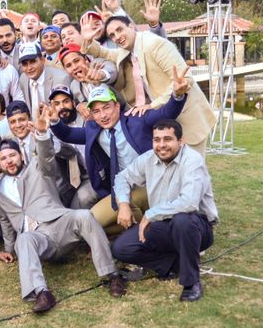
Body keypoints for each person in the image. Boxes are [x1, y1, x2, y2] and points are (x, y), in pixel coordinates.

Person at [0, 107, 127, 314]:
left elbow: (46, 158)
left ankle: (112, 275)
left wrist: (43, 135)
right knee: (23, 240)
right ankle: (42, 293)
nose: (9, 160)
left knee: (84, 215)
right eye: (4, 158)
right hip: (37, 239)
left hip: (59, 224)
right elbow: (5, 219)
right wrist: (9, 250)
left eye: (13, 155)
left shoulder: (37, 168)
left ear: (20, 157)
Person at [49, 69, 190, 232]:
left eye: (106, 107)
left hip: (155, 183)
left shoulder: (137, 119)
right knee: (93, 221)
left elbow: (166, 113)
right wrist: (54, 121)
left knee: (131, 207)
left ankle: (153, 227)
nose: (103, 115)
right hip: (125, 187)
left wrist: (177, 96)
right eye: (96, 111)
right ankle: (139, 229)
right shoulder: (94, 129)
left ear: (117, 106)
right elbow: (67, 134)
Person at [112, 119, 218, 302]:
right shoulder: (149, 158)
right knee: (121, 248)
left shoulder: (193, 160)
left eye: (167, 139)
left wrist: (150, 214)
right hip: (163, 224)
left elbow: (189, 202)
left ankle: (191, 282)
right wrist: (123, 203)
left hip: (197, 226)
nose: (161, 145)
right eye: (157, 140)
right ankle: (175, 264)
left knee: (183, 220)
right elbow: (122, 177)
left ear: (180, 141)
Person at [81, 15, 215, 156]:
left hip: (187, 119)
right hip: (164, 121)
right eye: (112, 35)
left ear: (132, 26)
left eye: (120, 30)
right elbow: (105, 53)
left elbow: (184, 79)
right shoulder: (127, 50)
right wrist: (88, 40)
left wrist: (152, 105)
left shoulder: (155, 45)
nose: (117, 37)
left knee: (191, 173)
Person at [17, 42, 71, 119]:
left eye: (33, 61)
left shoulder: (61, 78)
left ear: (42, 60)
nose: (29, 68)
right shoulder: (23, 78)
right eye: (25, 64)